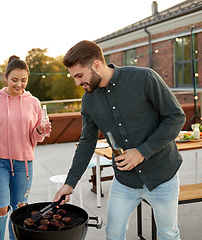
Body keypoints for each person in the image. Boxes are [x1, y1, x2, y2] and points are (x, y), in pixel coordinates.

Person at [53, 40, 185, 240]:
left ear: (96, 65)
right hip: (124, 181)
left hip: (162, 176)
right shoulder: (88, 101)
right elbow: (86, 143)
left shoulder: (144, 78)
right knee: (113, 234)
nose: (77, 82)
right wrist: (69, 184)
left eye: (79, 75)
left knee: (168, 234)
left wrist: (142, 152)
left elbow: (176, 117)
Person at [0, 55, 51, 240]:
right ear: (6, 78)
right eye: (14, 80)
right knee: (1, 209)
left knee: (20, 211)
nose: (19, 85)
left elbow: (35, 139)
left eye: (23, 80)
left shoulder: (33, 102)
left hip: (24, 164)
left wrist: (40, 131)